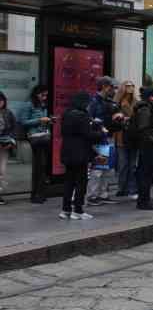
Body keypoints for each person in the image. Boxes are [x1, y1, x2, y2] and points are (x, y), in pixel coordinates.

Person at [59, 92, 106, 220]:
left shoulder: (67, 114)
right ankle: (78, 210)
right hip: (80, 153)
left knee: (69, 181)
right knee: (81, 182)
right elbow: (88, 135)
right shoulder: (82, 115)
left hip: (67, 152)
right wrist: (101, 133)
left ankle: (66, 209)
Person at [87, 76, 122, 206]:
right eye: (112, 87)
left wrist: (118, 118)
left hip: (109, 137)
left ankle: (103, 194)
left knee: (106, 168)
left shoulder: (109, 101)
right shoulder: (94, 101)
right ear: (105, 87)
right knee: (98, 169)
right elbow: (90, 119)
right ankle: (93, 196)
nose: (114, 90)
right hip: (100, 138)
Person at [20, 85, 52, 204]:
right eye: (42, 95)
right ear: (36, 94)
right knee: (39, 166)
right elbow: (23, 121)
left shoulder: (43, 105)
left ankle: (41, 193)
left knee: (43, 166)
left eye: (45, 95)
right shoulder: (29, 105)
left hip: (45, 136)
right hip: (36, 137)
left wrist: (49, 120)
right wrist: (40, 120)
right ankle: (36, 194)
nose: (44, 97)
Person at [134, 87, 153, 210]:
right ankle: (144, 201)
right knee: (146, 173)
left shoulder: (148, 108)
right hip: (147, 146)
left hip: (148, 145)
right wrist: (152, 140)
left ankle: (144, 199)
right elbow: (144, 128)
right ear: (151, 97)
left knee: (147, 173)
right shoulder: (145, 109)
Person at [114, 81, 138, 199]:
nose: (131, 88)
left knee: (132, 164)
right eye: (128, 86)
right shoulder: (117, 103)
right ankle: (121, 188)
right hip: (121, 136)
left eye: (132, 86)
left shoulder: (136, 102)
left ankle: (131, 189)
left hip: (133, 136)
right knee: (123, 164)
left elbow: (136, 116)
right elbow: (113, 118)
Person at [0, 91, 17, 205]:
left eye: (1, 100)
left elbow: (14, 129)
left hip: (3, 145)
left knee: (1, 170)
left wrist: (11, 140)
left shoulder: (8, 113)